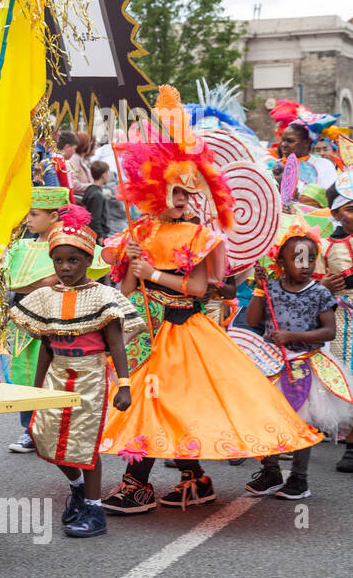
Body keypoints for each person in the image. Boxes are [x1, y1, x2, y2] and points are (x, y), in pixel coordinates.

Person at [98, 86, 322, 514]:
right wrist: (129, 269)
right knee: (158, 405)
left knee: (172, 404)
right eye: (174, 192)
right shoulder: (138, 233)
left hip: (184, 333)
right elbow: (124, 294)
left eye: (187, 193)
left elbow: (200, 289)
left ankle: (140, 482)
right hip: (146, 333)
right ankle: (192, 480)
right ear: (152, 190)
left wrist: (155, 273)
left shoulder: (199, 236)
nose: (182, 200)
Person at [9, 206, 141, 538]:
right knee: (48, 440)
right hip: (57, 374)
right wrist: (37, 390)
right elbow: (46, 346)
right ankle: (79, 488)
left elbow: (116, 344)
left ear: (87, 261)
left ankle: (95, 511)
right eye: (59, 261)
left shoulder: (103, 296)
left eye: (74, 261)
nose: (66, 267)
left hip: (90, 377)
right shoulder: (44, 298)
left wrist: (124, 386)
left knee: (84, 445)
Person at [242, 223, 353, 501]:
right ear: (280, 262)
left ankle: (299, 478)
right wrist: (258, 289)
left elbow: (329, 331)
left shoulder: (319, 292)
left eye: (310, 259)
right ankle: (270, 471)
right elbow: (254, 320)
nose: (305, 265)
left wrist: (292, 335)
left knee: (302, 420)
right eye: (297, 258)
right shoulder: (270, 289)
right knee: (267, 416)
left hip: (305, 364)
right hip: (272, 363)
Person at [4, 186, 109, 453]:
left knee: (58, 373)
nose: (27, 219)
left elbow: (56, 280)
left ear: (53, 216)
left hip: (60, 318)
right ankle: (30, 429)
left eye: (34, 214)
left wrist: (32, 285)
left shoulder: (70, 242)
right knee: (24, 374)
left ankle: (60, 428)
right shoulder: (21, 245)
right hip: (25, 318)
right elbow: (9, 279)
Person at [319, 170, 353, 473]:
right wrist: (325, 287)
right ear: (335, 213)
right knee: (339, 372)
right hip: (339, 319)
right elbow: (314, 283)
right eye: (350, 208)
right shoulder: (325, 246)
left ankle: (352, 446)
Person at [270, 100, 338, 189]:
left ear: (306, 142)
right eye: (283, 141)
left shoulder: (323, 165)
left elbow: (329, 197)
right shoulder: (274, 166)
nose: (284, 145)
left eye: (290, 141)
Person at [80, 161, 112, 242]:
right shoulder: (97, 195)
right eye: (108, 173)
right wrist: (100, 235)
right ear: (104, 175)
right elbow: (95, 218)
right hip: (97, 235)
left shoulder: (90, 189)